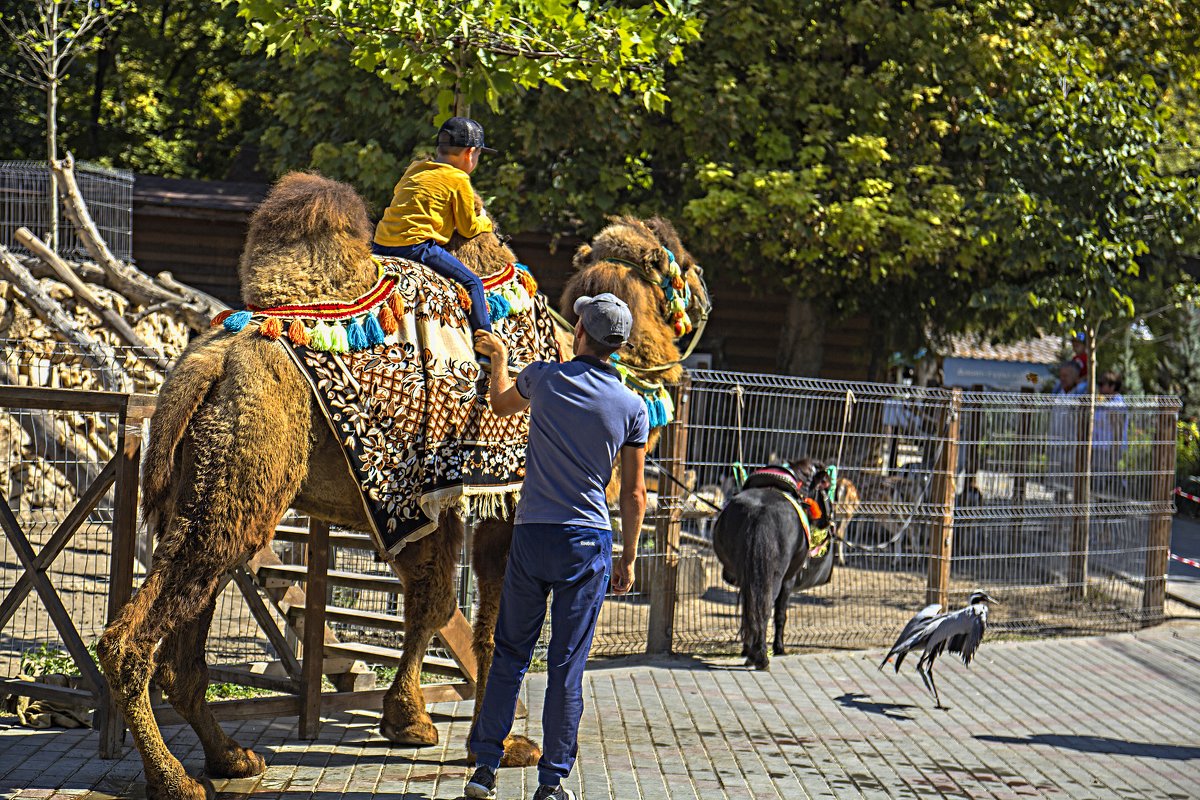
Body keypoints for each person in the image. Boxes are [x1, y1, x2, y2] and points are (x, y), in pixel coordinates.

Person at [465, 293, 649, 800]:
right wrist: (628, 556)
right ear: (619, 345)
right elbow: (634, 494)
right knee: (567, 665)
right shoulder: (635, 407)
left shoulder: (543, 378)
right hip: (588, 542)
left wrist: (500, 361)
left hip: (532, 535)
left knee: (510, 655)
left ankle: (484, 769)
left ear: (581, 333)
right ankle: (552, 783)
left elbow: (501, 403)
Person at [372, 116, 498, 366]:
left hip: (380, 244)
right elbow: (467, 227)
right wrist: (486, 221)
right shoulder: (459, 179)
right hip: (415, 247)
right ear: (470, 153)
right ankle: (487, 350)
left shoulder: (416, 167)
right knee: (473, 283)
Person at [1094, 370, 1129, 496]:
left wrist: (1114, 456)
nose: (1099, 387)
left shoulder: (1116, 405)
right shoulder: (1105, 403)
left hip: (1109, 451)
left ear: (1112, 386)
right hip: (1100, 449)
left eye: (1102, 384)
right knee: (1100, 485)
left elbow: (1118, 432)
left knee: (1108, 485)